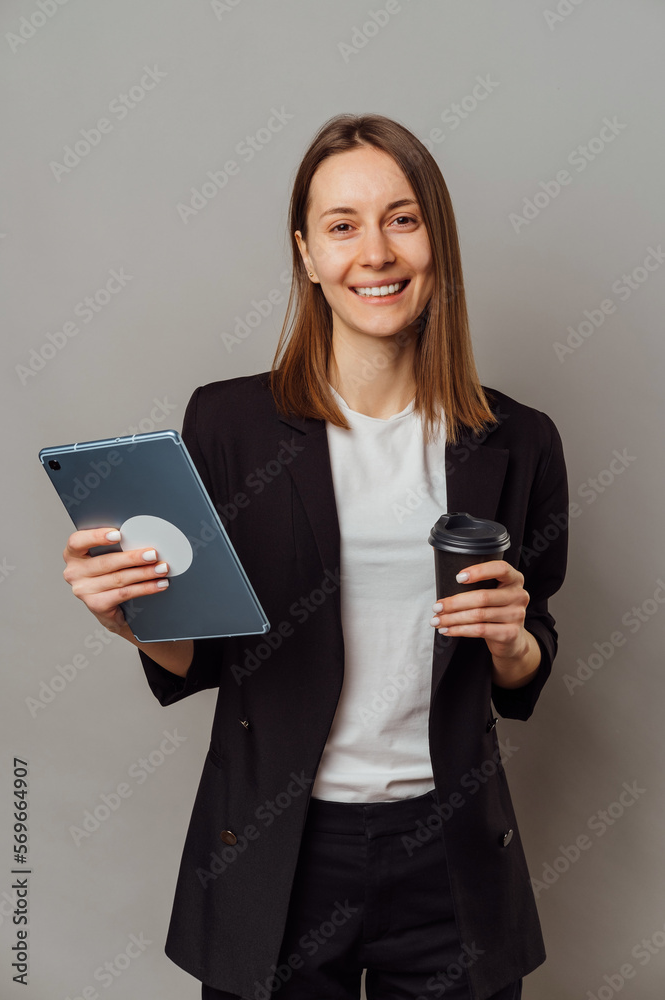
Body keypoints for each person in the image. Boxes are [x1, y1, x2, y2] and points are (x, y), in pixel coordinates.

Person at [61, 113, 569, 1000]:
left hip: (449, 852)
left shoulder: (516, 440)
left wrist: (513, 641)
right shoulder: (227, 424)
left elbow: (529, 657)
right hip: (277, 852)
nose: (373, 252)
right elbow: (207, 656)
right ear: (306, 254)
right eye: (342, 226)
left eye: (401, 219)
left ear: (435, 241)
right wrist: (128, 618)